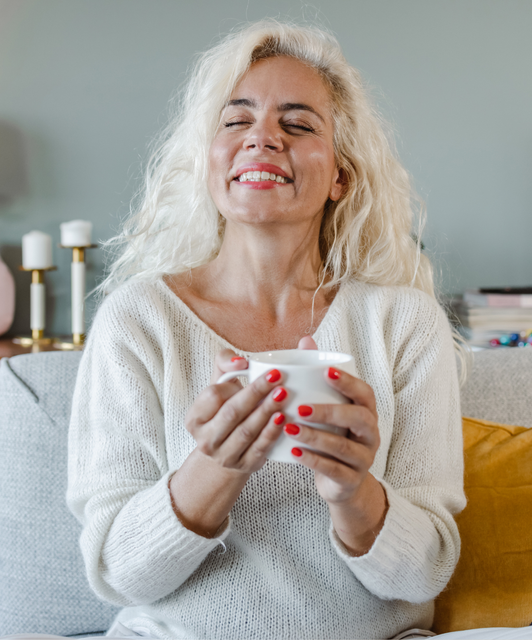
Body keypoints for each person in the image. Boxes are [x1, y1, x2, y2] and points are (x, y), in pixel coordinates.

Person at [64, 19, 467, 639]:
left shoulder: (403, 324)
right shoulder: (139, 320)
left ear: (340, 176)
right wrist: (215, 466)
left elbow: (423, 576)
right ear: (210, 162)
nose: (262, 138)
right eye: (236, 120)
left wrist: (353, 488)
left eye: (298, 123)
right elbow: (119, 573)